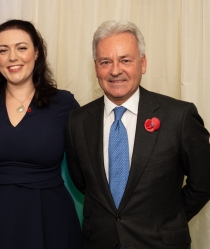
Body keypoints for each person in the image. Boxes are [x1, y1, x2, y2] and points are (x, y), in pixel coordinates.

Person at [66, 20, 210, 249]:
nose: (115, 70)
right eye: (106, 62)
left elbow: (204, 182)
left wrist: (169, 219)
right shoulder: (77, 122)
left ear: (142, 63)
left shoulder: (179, 117)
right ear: (96, 67)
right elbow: (83, 183)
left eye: (125, 60)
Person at [0, 19, 82, 249]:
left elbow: (84, 160)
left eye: (21, 48)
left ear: (36, 52)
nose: (12, 57)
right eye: (3, 50)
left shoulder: (64, 103)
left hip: (48, 214)